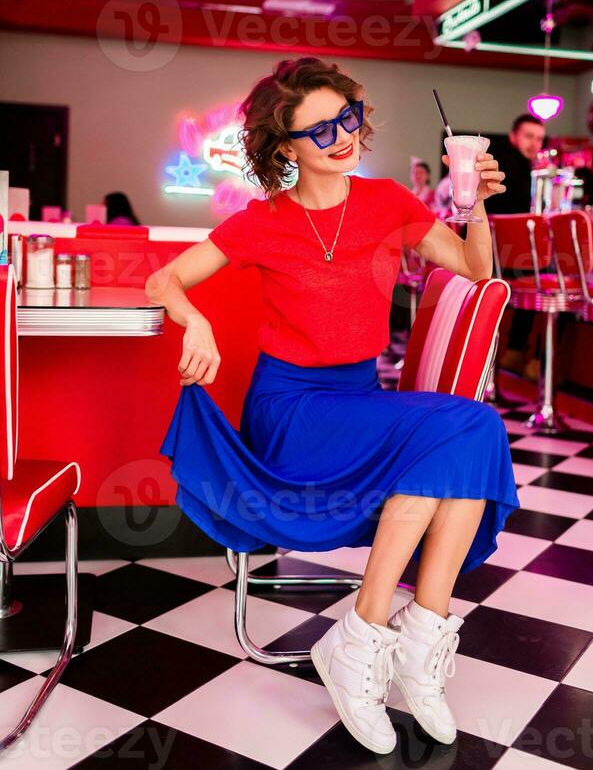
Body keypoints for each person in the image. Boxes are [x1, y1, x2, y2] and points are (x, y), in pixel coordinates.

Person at [145, 57, 519, 757]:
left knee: (470, 432)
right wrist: (193, 321)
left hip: (357, 401)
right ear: (285, 146)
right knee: (469, 427)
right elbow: (163, 280)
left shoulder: (386, 205)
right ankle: (367, 636)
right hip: (290, 412)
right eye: (320, 129)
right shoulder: (262, 222)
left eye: (347, 118)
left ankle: (402, 636)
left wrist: (477, 206)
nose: (342, 136)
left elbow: (474, 269)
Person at [484, 114, 545, 377]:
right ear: (513, 137)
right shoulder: (514, 167)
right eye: (529, 136)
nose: (535, 144)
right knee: (554, 275)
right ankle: (536, 361)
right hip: (503, 262)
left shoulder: (519, 167)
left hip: (494, 260)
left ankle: (516, 352)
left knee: (542, 272)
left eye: (540, 139)